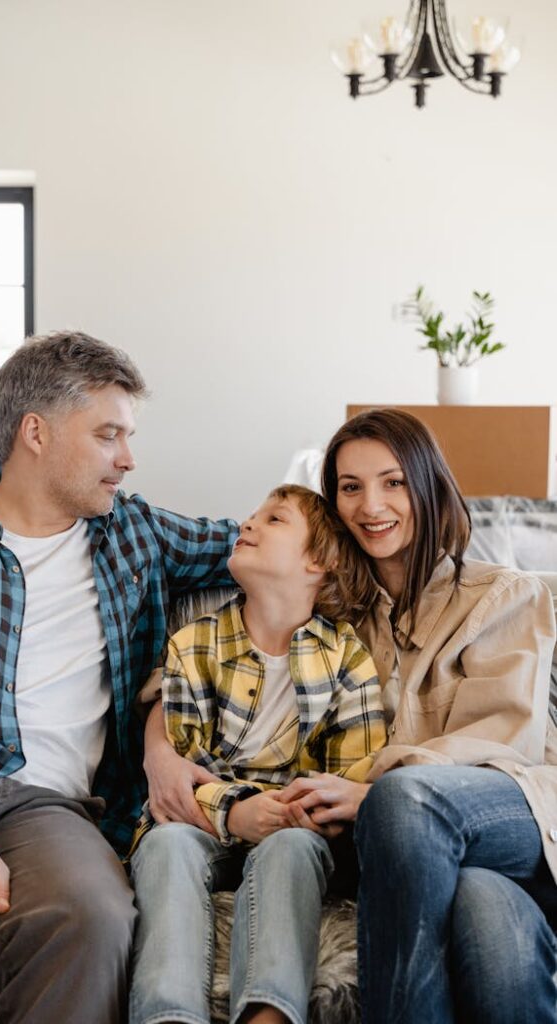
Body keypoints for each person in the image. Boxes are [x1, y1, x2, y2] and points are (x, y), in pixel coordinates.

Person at [0, 331, 240, 1024]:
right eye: (108, 436)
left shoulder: (136, 534)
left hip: (46, 809)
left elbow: (266, 546)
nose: (128, 460)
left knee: (92, 915)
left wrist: (391, 518)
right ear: (34, 433)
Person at [277, 407, 557, 1024]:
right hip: (419, 853)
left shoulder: (505, 595)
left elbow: (501, 739)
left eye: (393, 481)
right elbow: (236, 642)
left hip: (521, 816)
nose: (371, 505)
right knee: (486, 914)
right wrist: (161, 721)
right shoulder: (335, 618)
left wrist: (371, 789)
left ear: (427, 485)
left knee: (405, 799)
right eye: (350, 487)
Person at [129, 484, 386, 1024]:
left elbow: (352, 776)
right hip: (201, 815)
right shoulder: (193, 643)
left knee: (292, 848)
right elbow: (179, 765)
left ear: (318, 562)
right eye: (252, 515)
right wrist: (237, 811)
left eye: (274, 519)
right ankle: (167, 1015)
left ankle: (267, 1014)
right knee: (166, 845)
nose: (247, 523)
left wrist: (298, 811)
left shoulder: (348, 659)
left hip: (293, 825)